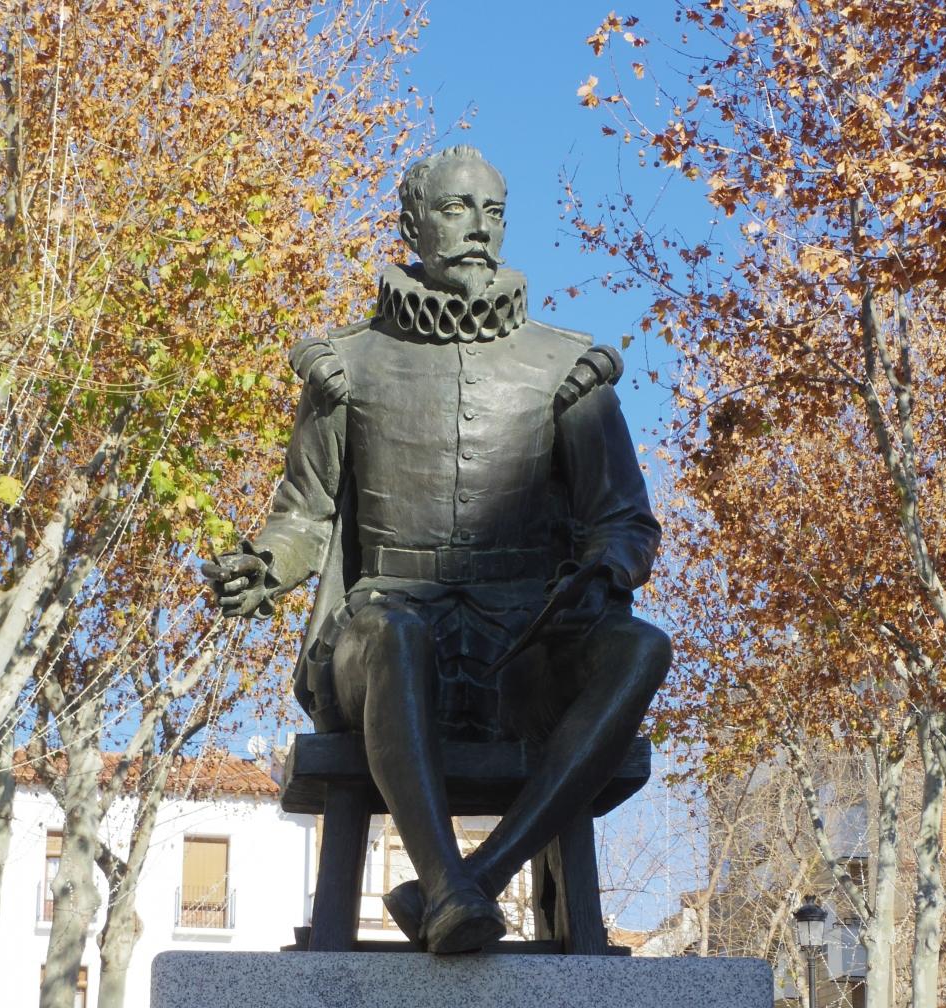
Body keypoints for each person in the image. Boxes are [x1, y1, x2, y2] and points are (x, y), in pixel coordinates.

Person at [203, 145, 672, 954]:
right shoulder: (345, 366)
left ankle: (465, 883)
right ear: (411, 223)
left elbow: (624, 521)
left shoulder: (568, 370)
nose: (478, 229)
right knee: (395, 634)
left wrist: (604, 574)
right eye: (457, 209)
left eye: (493, 212)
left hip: (522, 651)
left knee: (642, 648)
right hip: (380, 642)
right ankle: (449, 883)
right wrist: (265, 566)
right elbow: (305, 515)